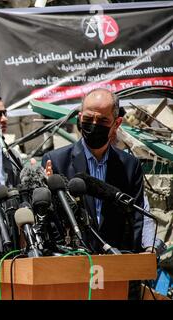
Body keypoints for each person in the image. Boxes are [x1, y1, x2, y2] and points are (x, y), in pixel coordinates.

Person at [42, 88, 144, 253]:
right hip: (73, 261)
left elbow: (137, 219)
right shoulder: (56, 161)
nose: (94, 125)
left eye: (103, 121)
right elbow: (50, 220)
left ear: (116, 123)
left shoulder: (130, 166)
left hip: (117, 263)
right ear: (80, 118)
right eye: (89, 118)